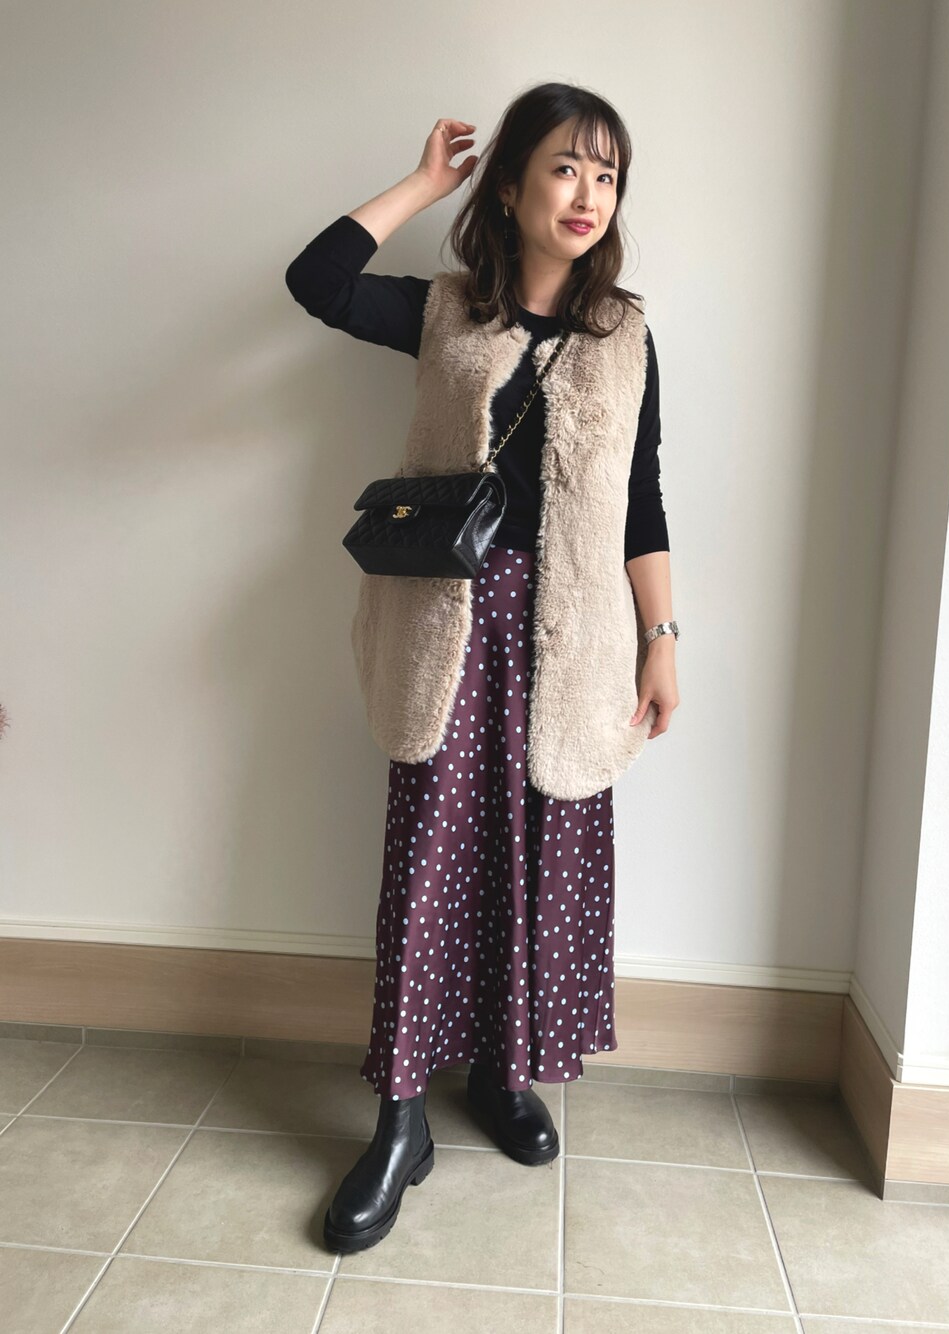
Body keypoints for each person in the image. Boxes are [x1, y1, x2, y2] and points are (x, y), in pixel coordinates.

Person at [284, 81, 680, 1255]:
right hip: (447, 628)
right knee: (431, 862)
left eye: (606, 175)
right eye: (565, 167)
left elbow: (643, 500)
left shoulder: (626, 335)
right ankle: (400, 1116)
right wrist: (421, 185)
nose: (588, 194)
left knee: (544, 857)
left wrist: (662, 640)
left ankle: (505, 1073)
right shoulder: (444, 308)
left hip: (575, 638)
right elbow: (314, 281)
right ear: (510, 186)